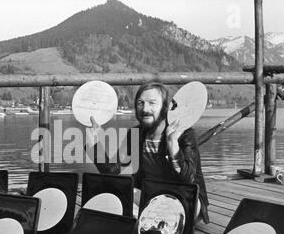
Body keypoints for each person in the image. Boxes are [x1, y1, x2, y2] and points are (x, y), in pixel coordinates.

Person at [86, 82, 209, 224]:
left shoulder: (185, 133)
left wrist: (173, 145)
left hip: (185, 199)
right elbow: (115, 171)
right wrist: (95, 146)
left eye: (152, 103)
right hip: (151, 196)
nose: (145, 109)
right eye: (140, 103)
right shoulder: (135, 134)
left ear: (165, 107)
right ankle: (150, 221)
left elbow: (189, 180)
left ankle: (145, 219)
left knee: (125, 209)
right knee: (110, 192)